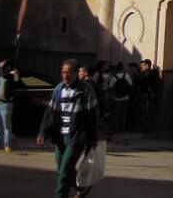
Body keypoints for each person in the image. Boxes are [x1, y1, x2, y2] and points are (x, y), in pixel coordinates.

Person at [37, 58, 98, 198]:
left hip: (76, 136)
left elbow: (92, 116)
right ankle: (81, 186)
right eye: (63, 72)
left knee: (65, 169)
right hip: (59, 135)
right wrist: (42, 132)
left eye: (69, 73)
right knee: (63, 169)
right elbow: (50, 112)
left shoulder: (86, 90)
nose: (65, 76)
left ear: (77, 73)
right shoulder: (58, 89)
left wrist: (92, 138)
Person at [0, 58, 20, 152]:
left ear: (8, 67)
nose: (1, 69)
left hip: (6, 104)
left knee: (7, 126)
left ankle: (7, 145)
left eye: (2, 67)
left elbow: (17, 83)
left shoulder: (11, 75)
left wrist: (16, 75)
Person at [108, 62, 133, 134]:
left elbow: (110, 87)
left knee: (116, 114)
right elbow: (131, 85)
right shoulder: (127, 76)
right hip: (125, 97)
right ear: (122, 68)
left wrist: (113, 95)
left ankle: (116, 129)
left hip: (116, 98)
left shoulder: (114, 77)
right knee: (123, 114)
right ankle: (122, 129)